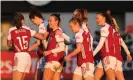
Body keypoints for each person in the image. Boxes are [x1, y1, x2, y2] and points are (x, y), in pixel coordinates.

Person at [7, 12, 47, 80]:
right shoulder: (27, 29)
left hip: (19, 56)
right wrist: (46, 30)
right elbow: (42, 37)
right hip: (27, 57)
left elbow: (9, 44)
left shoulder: (11, 30)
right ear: (22, 20)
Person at [93, 12, 117, 80]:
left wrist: (92, 54)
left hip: (108, 56)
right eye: (96, 18)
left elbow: (100, 44)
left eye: (98, 18)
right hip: (105, 56)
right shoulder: (108, 27)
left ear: (104, 18)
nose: (96, 20)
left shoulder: (104, 28)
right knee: (96, 77)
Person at [43, 14, 65, 80]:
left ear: (56, 21)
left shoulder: (57, 31)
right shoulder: (52, 32)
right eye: (48, 20)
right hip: (57, 62)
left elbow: (62, 47)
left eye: (51, 20)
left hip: (52, 61)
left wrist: (49, 52)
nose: (49, 22)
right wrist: (44, 38)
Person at [28, 6, 49, 80]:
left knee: (38, 77)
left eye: (33, 21)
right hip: (48, 53)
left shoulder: (42, 26)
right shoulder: (47, 23)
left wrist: (27, 49)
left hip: (46, 54)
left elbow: (38, 42)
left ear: (36, 17)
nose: (34, 23)